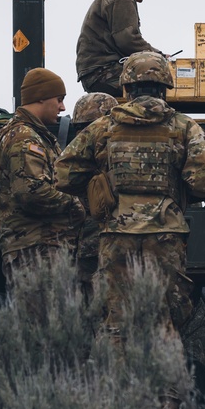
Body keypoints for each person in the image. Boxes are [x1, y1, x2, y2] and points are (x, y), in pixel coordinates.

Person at [56, 52, 205, 339]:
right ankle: (164, 381)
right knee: (165, 320)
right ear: (165, 87)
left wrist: (100, 185)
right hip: (165, 235)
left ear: (126, 88)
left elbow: (64, 174)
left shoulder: (103, 127)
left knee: (116, 320)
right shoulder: (184, 127)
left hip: (116, 233)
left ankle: (120, 382)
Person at [0, 68, 86, 286]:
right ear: (41, 96)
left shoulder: (34, 135)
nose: (62, 107)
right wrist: (75, 204)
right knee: (39, 318)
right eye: (59, 99)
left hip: (41, 247)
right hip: (35, 250)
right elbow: (30, 193)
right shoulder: (24, 137)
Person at [76, 0, 162, 96]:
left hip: (93, 72)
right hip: (104, 72)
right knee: (155, 86)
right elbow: (128, 40)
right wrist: (158, 57)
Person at [71, 91, 118, 302]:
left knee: (89, 299)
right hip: (119, 232)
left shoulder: (81, 149)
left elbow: (63, 179)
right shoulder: (120, 145)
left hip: (92, 233)